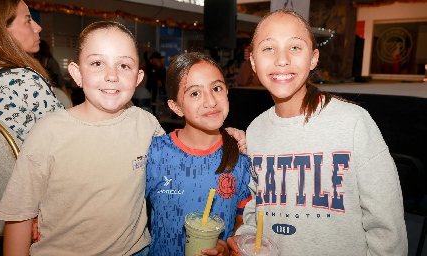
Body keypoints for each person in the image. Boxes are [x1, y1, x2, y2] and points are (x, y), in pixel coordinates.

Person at [227, 9, 408, 256]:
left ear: (313, 59)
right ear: (253, 61)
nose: (282, 59)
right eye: (269, 48)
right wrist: (245, 239)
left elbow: (387, 230)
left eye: (295, 47)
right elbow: (256, 206)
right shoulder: (256, 129)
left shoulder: (353, 123)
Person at [0, 21, 164, 256]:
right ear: (77, 73)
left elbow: (184, 154)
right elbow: (19, 215)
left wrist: (228, 136)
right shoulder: (49, 132)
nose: (112, 76)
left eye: (124, 65)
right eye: (97, 63)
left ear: (138, 77)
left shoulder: (146, 125)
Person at [145, 52, 251, 256]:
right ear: (176, 107)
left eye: (216, 88)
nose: (210, 101)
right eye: (195, 93)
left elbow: (242, 221)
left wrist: (228, 247)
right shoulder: (156, 153)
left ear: (227, 91)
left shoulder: (240, 158)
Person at [0, 0, 64, 143]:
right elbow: (64, 134)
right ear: (2, 30)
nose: (38, 27)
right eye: (28, 21)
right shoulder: (23, 79)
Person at [143, 50, 166, 115]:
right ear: (152, 59)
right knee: (147, 96)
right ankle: (146, 112)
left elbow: (160, 76)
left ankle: (154, 113)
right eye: (155, 59)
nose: (156, 61)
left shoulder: (158, 67)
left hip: (155, 84)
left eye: (157, 59)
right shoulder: (149, 65)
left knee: (154, 98)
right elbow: (145, 56)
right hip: (149, 84)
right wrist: (148, 50)